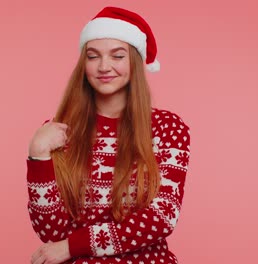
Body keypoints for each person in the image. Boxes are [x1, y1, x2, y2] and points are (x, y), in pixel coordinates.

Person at [26, 6, 190, 264]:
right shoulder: (58, 132)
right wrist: (38, 156)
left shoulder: (167, 128)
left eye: (117, 56)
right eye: (93, 56)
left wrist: (72, 246)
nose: (104, 66)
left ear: (134, 61)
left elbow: (162, 216)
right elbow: (51, 232)